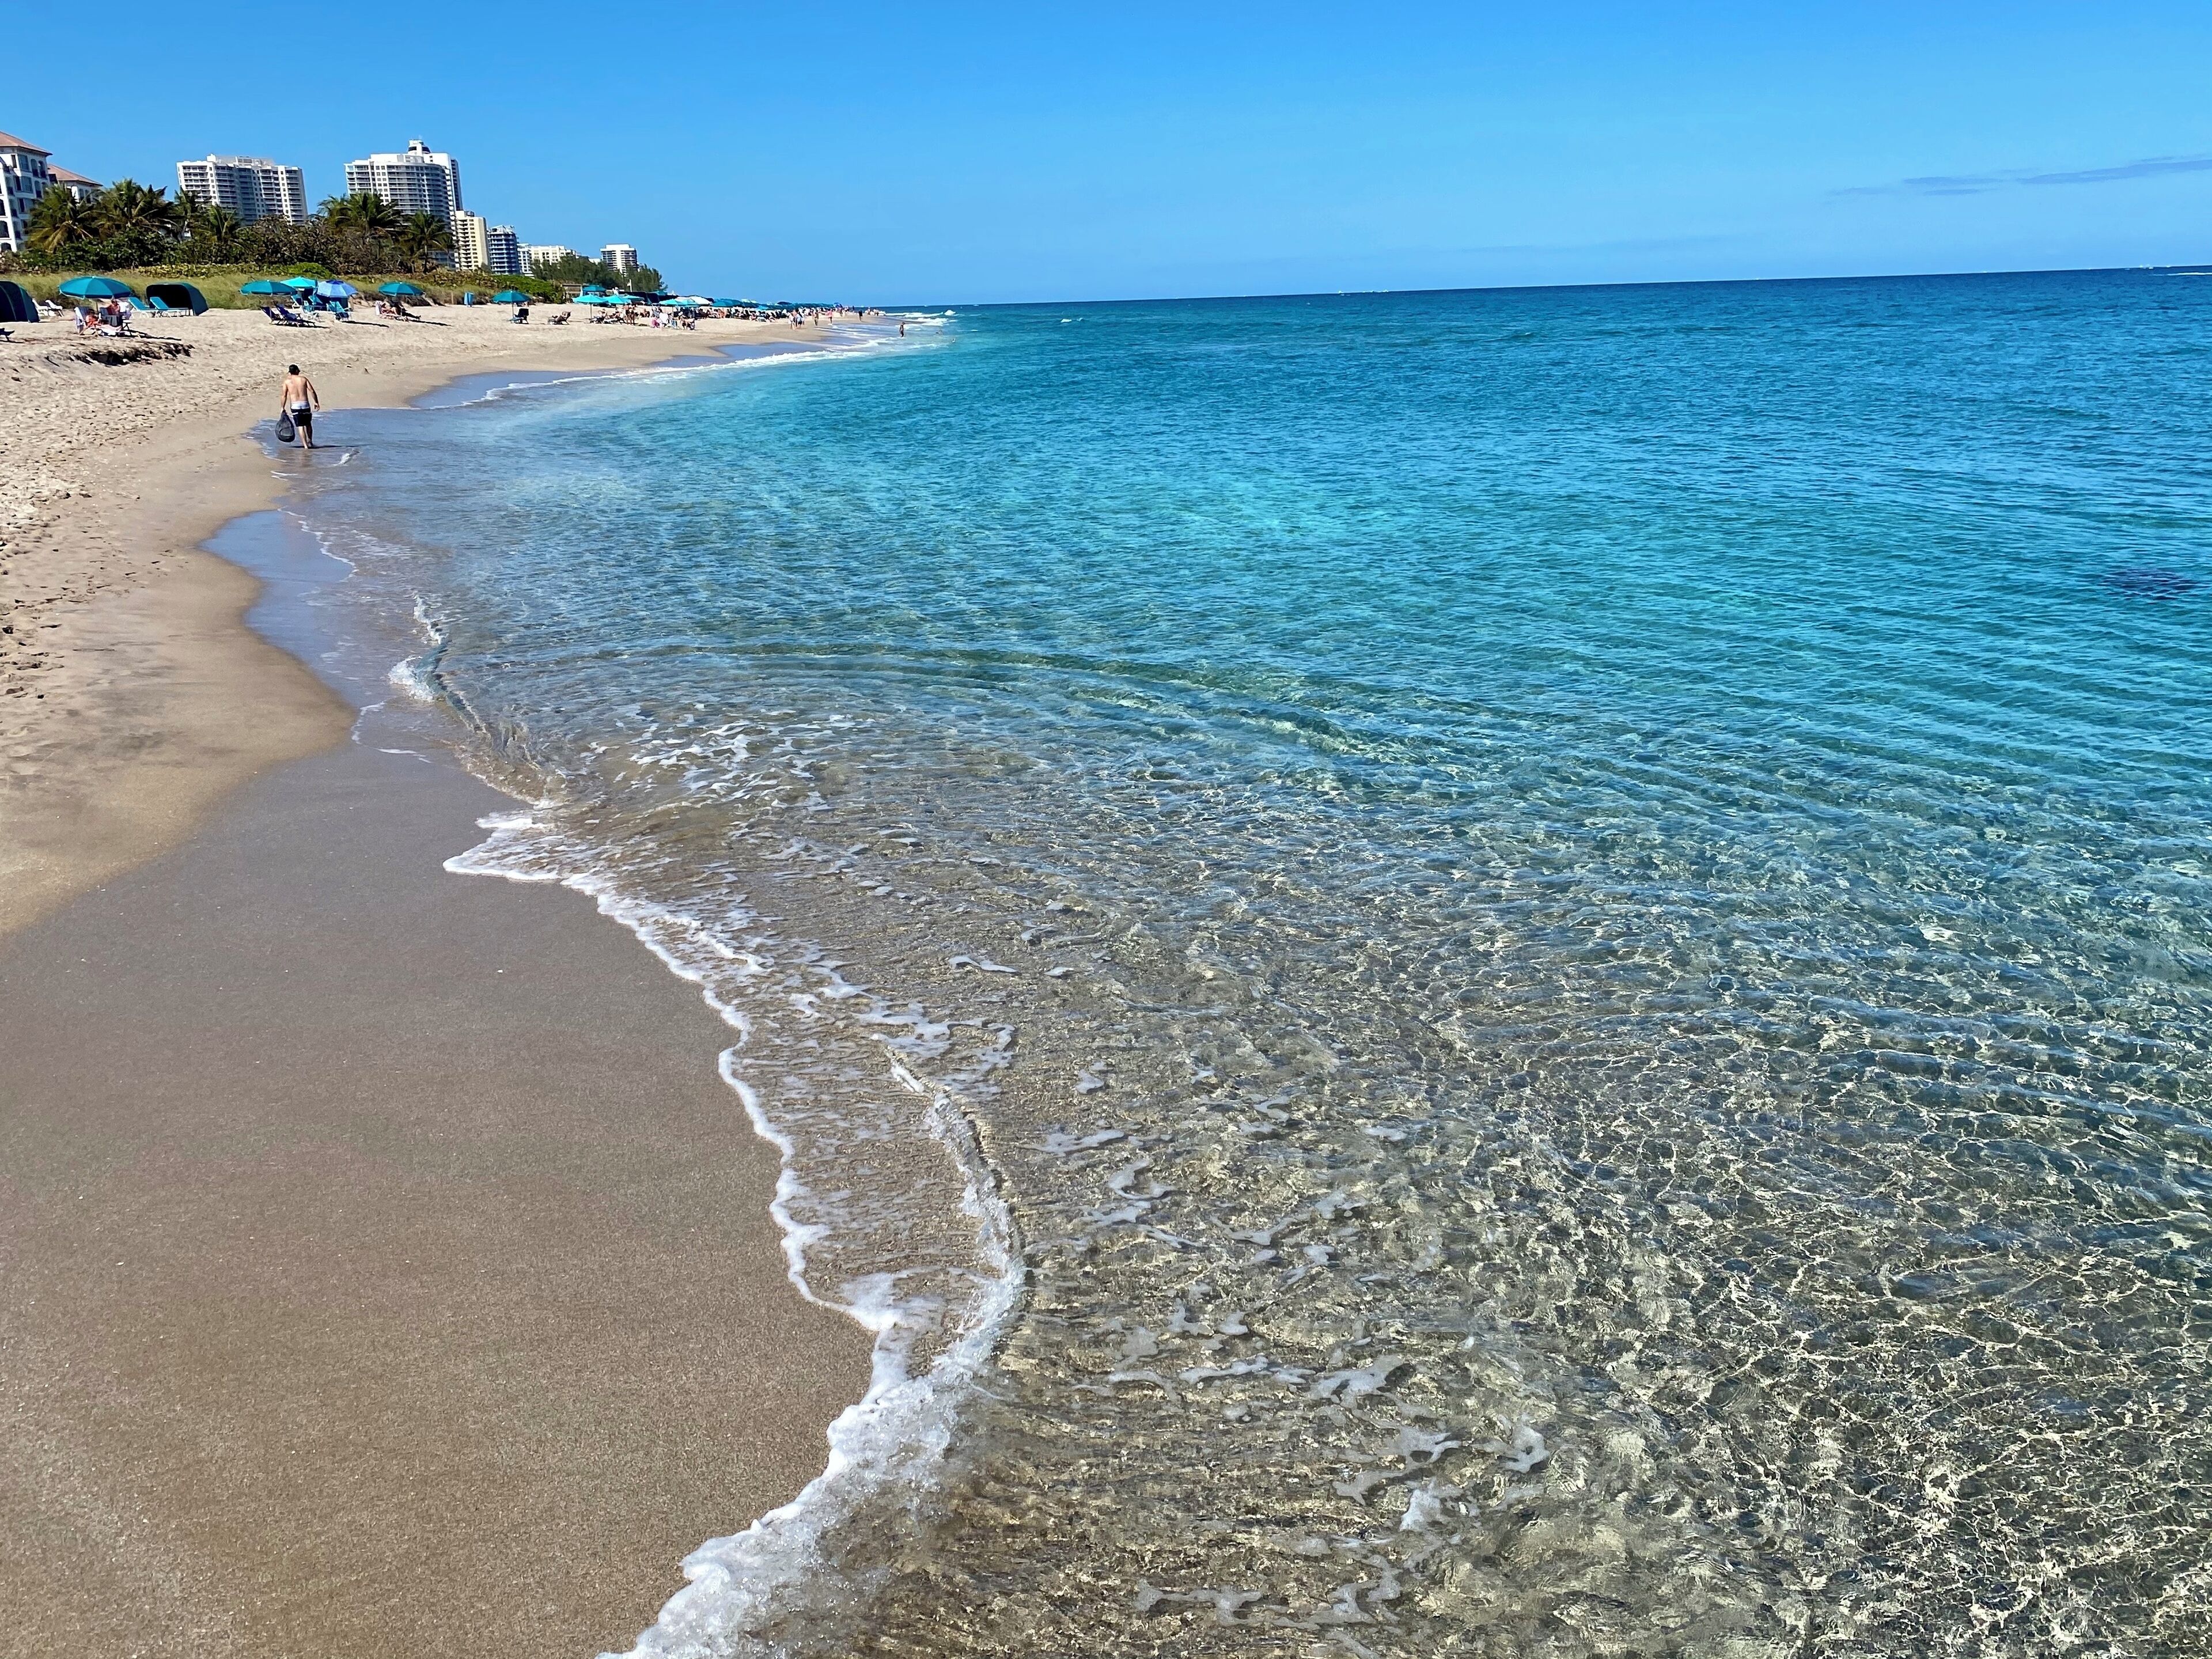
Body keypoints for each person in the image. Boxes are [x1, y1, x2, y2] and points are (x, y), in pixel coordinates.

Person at [279, 363, 321, 449]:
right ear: (297, 371)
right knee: (308, 424)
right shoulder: (303, 379)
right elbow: (312, 391)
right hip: (305, 404)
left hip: (295, 406)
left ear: (290, 373)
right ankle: (310, 442)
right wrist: (316, 402)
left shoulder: (287, 382)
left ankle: (305, 445)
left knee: (300, 426)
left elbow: (284, 396)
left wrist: (282, 407)